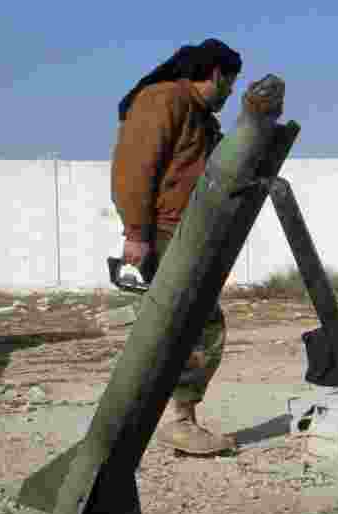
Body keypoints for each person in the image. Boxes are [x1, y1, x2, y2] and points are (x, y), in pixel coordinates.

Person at [111, 38, 242, 455]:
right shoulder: (163, 100)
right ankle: (180, 423)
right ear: (217, 75)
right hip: (168, 235)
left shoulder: (197, 114)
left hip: (188, 233)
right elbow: (134, 168)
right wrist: (136, 234)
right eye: (231, 84)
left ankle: (163, 422)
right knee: (199, 327)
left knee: (178, 328)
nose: (230, 94)